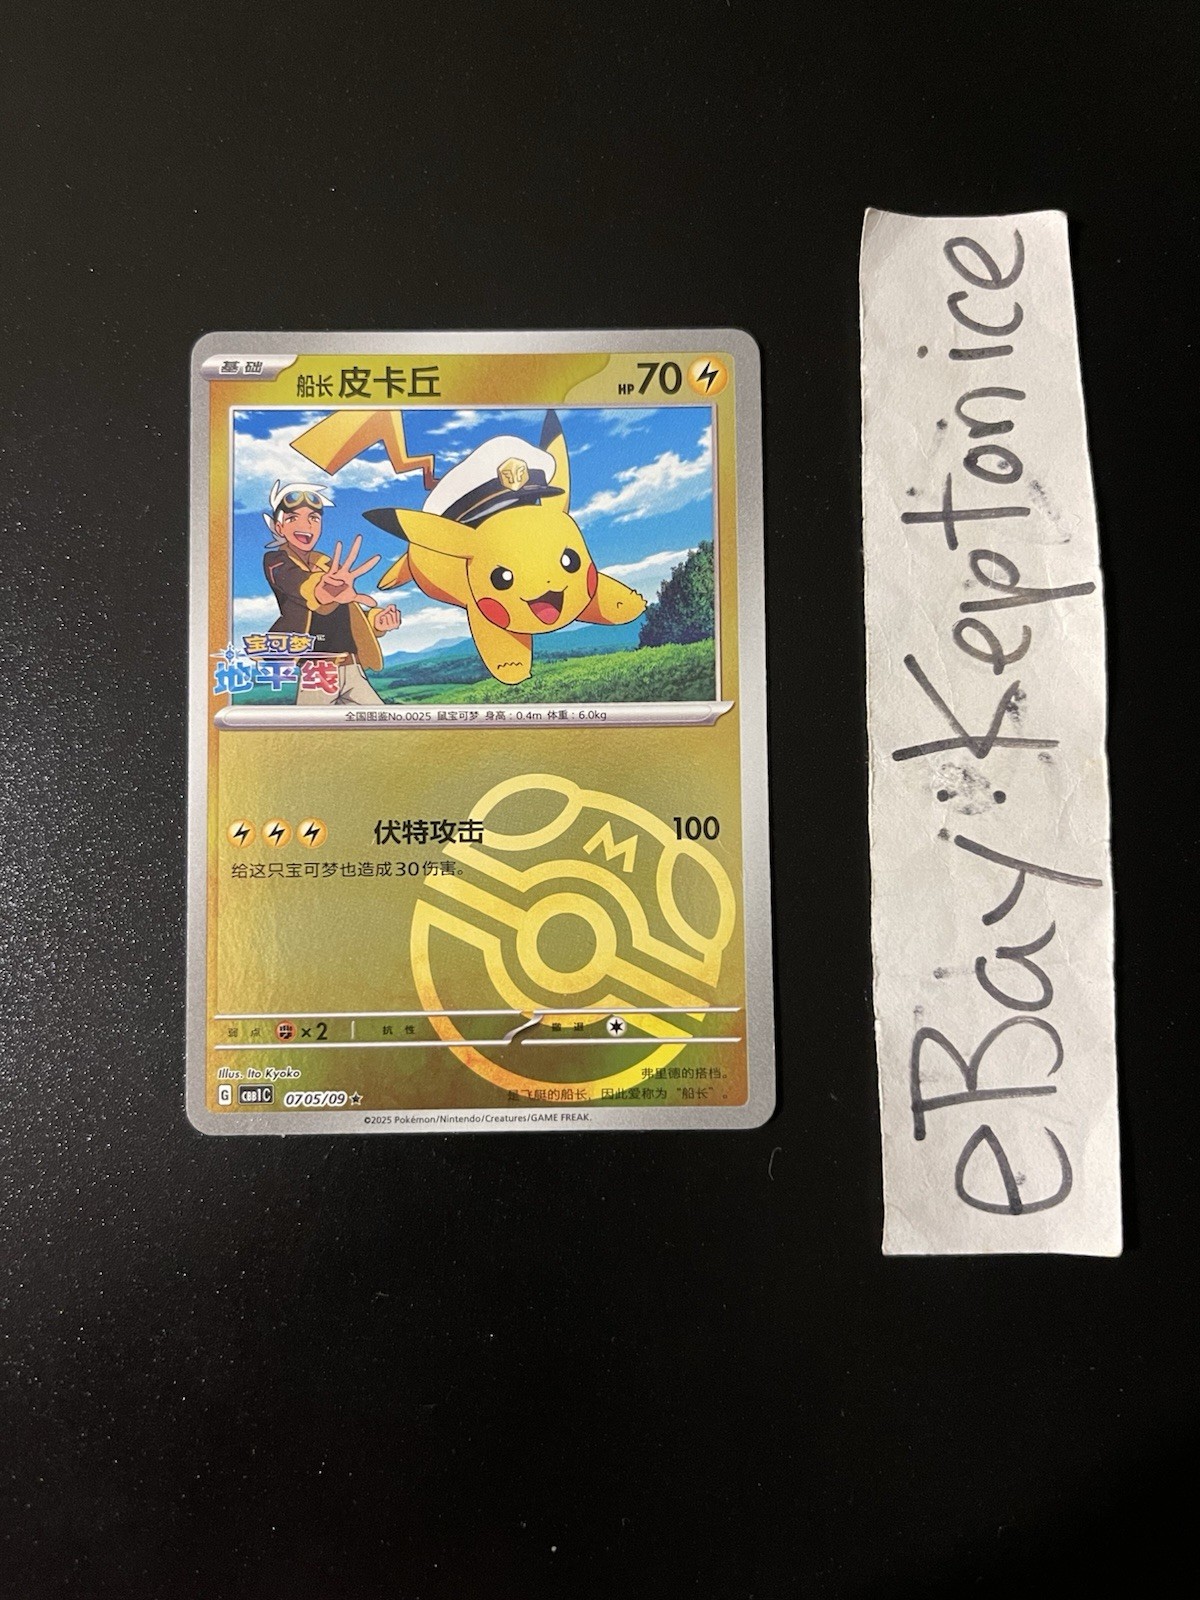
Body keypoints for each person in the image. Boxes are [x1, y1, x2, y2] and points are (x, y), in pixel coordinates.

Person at [261, 480, 400, 705]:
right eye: (293, 518)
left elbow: (345, 615)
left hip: (352, 667)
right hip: (317, 669)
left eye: (314, 518)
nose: (305, 524)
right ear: (279, 527)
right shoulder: (276, 561)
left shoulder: (327, 565)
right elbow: (299, 584)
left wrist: (376, 622)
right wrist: (322, 591)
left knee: (380, 720)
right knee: (314, 727)